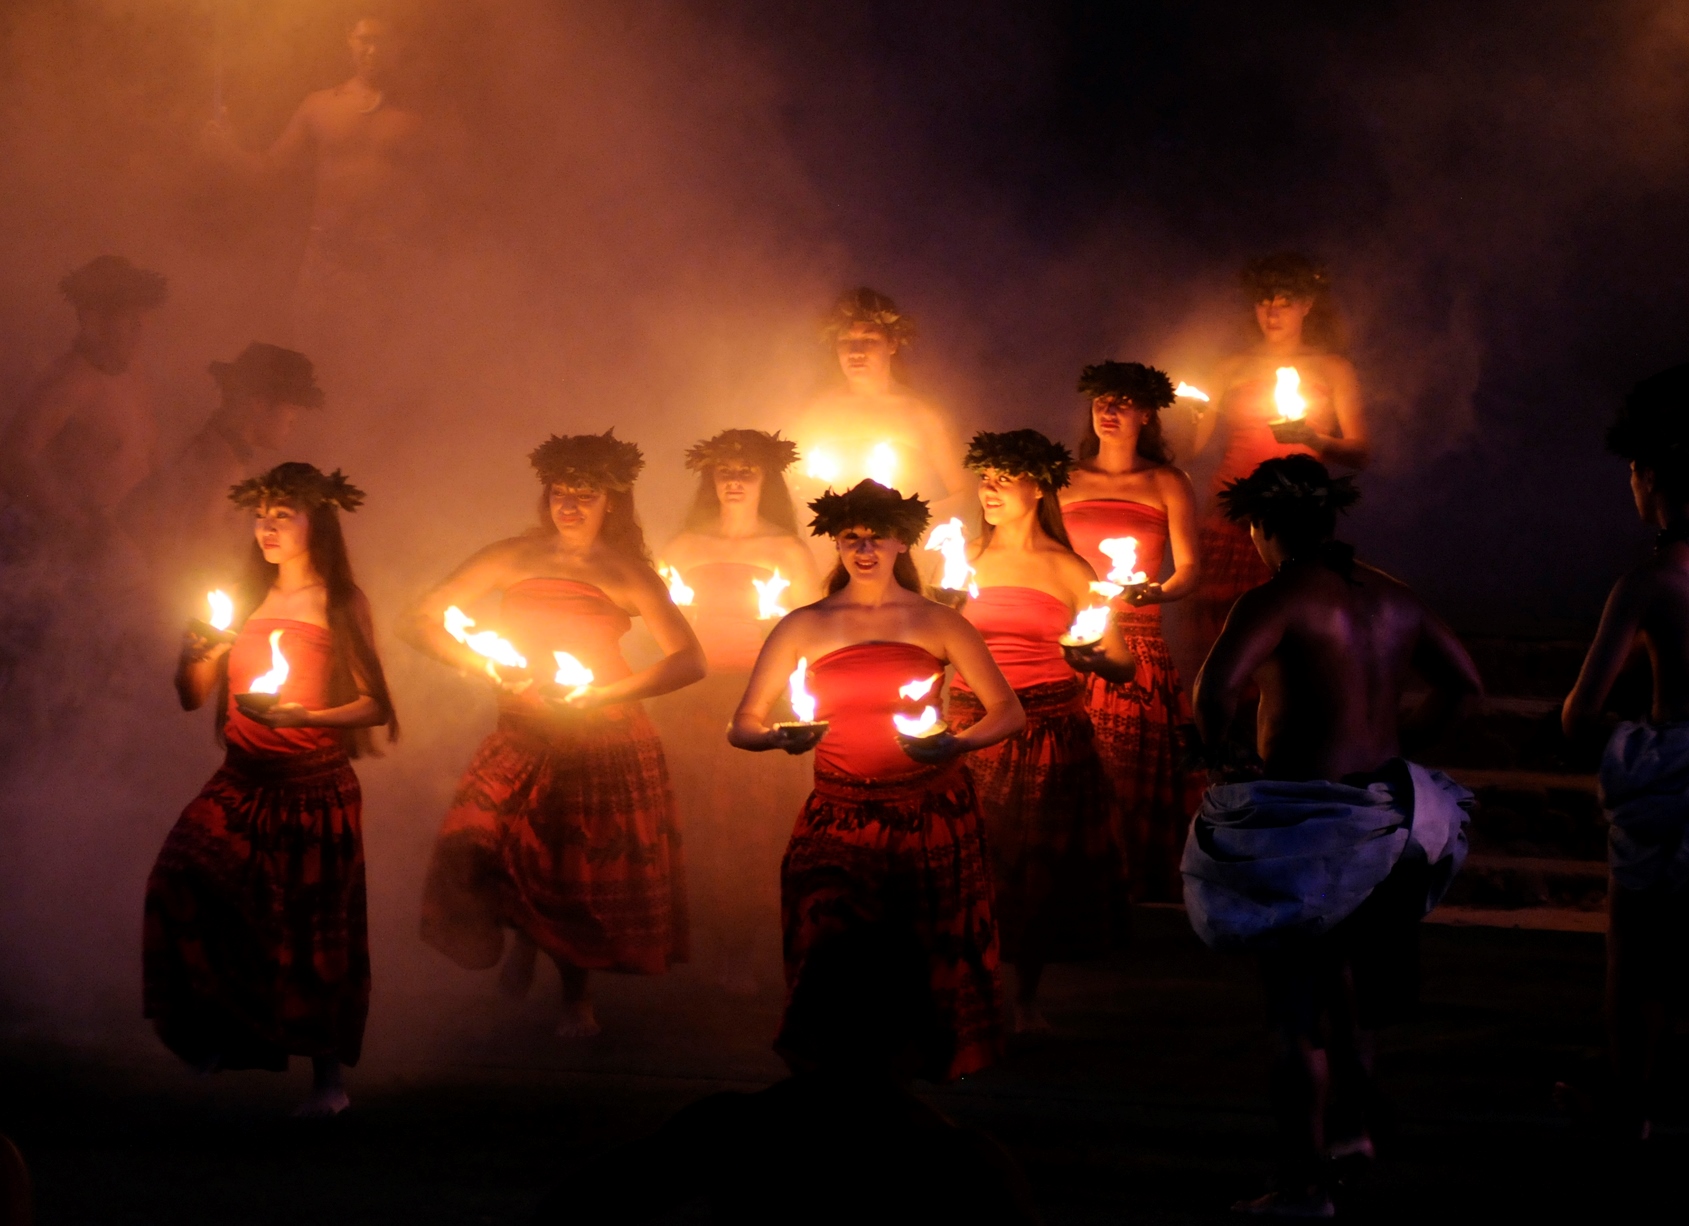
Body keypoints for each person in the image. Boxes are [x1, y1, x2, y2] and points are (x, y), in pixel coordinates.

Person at [1180, 455, 1480, 1217]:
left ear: (1260, 524)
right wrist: (1402, 739)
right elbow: (1464, 683)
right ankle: (1350, 1134)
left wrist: (1222, 759)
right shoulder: (1391, 594)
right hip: (1387, 819)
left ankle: (1303, 1184)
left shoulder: (1276, 597)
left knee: (1295, 1014)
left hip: (1309, 827)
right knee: (1351, 994)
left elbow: (1213, 689)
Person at [403, 430, 703, 1039]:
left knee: (574, 873)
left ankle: (575, 997)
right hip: (520, 730)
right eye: (560, 492)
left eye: (584, 494)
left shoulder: (628, 572)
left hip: (601, 736)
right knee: (483, 844)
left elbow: (688, 659)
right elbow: (418, 618)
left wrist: (603, 693)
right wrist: (479, 663)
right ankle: (523, 939)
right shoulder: (509, 555)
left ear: (611, 501)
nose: (569, 504)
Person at [729, 479, 1025, 1080]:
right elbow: (743, 724)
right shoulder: (803, 625)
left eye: (877, 537)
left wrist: (957, 742)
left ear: (901, 544)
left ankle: (916, 1075)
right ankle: (827, 1073)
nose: (864, 549)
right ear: (835, 545)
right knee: (828, 943)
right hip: (837, 815)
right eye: (850, 538)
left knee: (923, 949)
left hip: (929, 812)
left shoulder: (937, 620)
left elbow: (1009, 711)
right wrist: (777, 736)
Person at [143, 462, 397, 1117]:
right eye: (261, 514)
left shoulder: (341, 602)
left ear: (320, 521)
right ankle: (220, 1030)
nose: (267, 527)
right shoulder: (238, 597)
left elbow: (375, 706)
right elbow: (189, 696)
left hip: (314, 789)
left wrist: (305, 717)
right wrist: (196, 651)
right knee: (183, 877)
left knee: (312, 935)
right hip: (241, 783)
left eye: (284, 514)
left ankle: (328, 1080)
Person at [533, 921, 1042, 1225]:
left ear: (808, 1021)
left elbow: (570, 1209)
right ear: (929, 1031)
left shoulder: (733, 1130)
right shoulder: (965, 1163)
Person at [954, 429, 1133, 1033]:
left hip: (1046, 730)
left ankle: (1023, 998)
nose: (991, 490)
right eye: (985, 478)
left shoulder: (1068, 568)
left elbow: (1122, 660)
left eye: (1006, 478)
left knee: (1032, 866)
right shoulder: (961, 564)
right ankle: (962, 988)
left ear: (1040, 487)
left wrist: (1092, 660)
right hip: (968, 723)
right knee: (967, 860)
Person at [1563, 363, 1689, 1144]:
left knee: (1634, 953)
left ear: (1647, 478)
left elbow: (1581, 713)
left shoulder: (1647, 583)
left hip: (1671, 775)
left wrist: (1622, 745)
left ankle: (1630, 1103)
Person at [653, 429, 819, 993]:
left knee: (752, 823)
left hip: (759, 695)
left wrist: (769, 634)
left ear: (767, 479)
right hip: (694, 697)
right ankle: (699, 943)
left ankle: (749, 946)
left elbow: (810, 634)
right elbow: (659, 630)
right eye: (723, 468)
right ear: (709, 478)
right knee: (697, 816)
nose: (734, 478)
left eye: (746, 469)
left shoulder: (788, 550)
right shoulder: (683, 547)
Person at [202, 11, 456, 346]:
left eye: (381, 41)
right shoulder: (319, 106)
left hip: (389, 271)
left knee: (382, 377)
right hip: (327, 269)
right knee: (318, 373)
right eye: (365, 40)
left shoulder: (419, 114)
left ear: (396, 46)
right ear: (349, 40)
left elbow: (448, 194)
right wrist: (226, 150)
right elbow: (271, 170)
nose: (372, 50)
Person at [1059, 362, 1204, 903]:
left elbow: (1189, 569)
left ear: (1147, 414)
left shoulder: (1167, 481)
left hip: (1138, 637)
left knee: (1123, 767)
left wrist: (1156, 592)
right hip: (1072, 638)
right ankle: (1075, 882)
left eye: (1122, 402)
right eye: (1101, 401)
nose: (1109, 410)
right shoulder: (1065, 479)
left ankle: (1128, 882)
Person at [1191, 253, 1370, 660]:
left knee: (1290, 628)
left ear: (1307, 305)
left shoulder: (1332, 368)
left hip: (1298, 514)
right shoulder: (1229, 368)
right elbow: (1190, 449)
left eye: (1284, 301)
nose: (1272, 312)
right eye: (1264, 302)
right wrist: (1190, 413)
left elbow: (1360, 452)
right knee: (1224, 627)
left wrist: (1313, 437)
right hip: (1230, 512)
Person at [125, 342, 324, 590]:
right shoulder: (221, 468)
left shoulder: (211, 449)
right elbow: (194, 553)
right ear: (259, 403)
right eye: (291, 408)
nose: (293, 422)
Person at [0, 255, 167, 540]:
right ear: (93, 318)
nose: (140, 327)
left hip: (138, 539)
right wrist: (78, 525)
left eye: (141, 315)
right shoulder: (68, 382)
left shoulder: (132, 373)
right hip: (90, 553)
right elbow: (12, 459)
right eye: (129, 316)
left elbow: (147, 451)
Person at [786, 288, 972, 527]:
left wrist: (906, 522)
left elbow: (965, 494)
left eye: (869, 340)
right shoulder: (816, 413)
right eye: (846, 341)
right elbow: (792, 489)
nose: (856, 352)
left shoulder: (923, 413)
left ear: (892, 343)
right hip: (831, 548)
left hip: (901, 549)